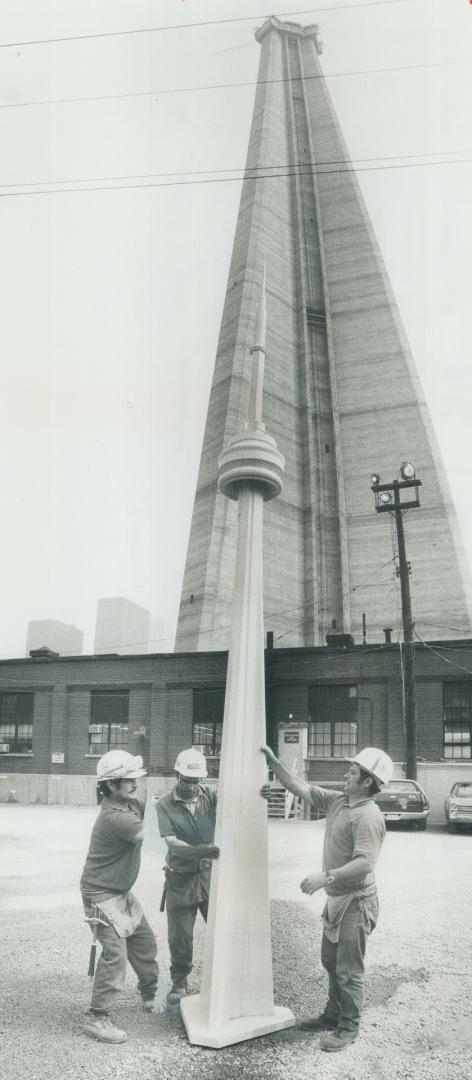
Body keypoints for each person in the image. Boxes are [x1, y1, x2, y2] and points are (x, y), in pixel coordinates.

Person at [261, 743, 393, 1053]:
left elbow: (365, 863)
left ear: (368, 781)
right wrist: (274, 762)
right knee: (330, 960)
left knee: (349, 969)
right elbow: (301, 786)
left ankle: (349, 1026)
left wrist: (325, 877)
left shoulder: (368, 816)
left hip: (356, 902)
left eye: (353, 772)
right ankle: (333, 1014)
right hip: (338, 899)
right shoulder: (339, 801)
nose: (346, 775)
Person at [80, 749, 159, 1044]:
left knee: (144, 942)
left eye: (134, 777)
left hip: (119, 891)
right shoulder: (116, 817)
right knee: (115, 954)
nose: (134, 783)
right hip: (100, 893)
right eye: (127, 779)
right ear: (110, 785)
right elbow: (154, 837)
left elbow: (146, 796)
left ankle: (152, 995)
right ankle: (97, 1017)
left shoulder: (127, 802)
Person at [155, 747, 219, 1006]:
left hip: (208, 876)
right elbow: (171, 842)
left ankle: (224, 978)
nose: (193, 787)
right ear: (177, 775)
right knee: (180, 935)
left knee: (221, 927)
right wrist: (201, 849)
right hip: (180, 877)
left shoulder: (211, 796)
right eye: (188, 781)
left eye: (197, 782)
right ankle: (180, 981)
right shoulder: (164, 805)